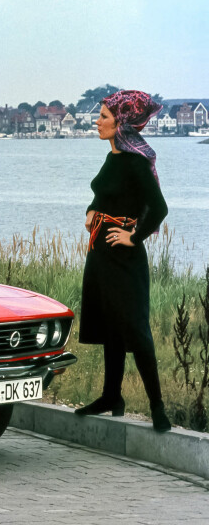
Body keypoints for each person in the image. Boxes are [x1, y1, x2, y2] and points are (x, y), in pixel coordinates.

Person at [75, 90, 170, 432]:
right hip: (99, 253)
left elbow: (159, 208)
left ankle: (158, 407)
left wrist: (133, 236)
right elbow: (103, 193)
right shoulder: (113, 156)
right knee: (110, 325)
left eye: (103, 117)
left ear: (121, 124)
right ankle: (111, 396)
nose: (97, 122)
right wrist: (91, 212)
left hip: (125, 256)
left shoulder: (135, 161)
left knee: (135, 327)